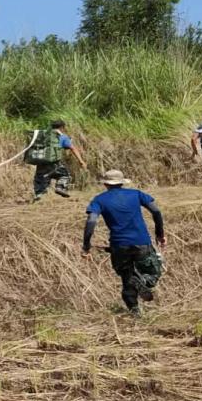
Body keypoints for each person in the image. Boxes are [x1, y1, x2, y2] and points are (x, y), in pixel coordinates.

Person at [82, 169, 166, 316]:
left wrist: (86, 245)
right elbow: (156, 212)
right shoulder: (136, 194)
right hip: (142, 242)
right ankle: (143, 282)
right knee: (153, 272)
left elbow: (91, 221)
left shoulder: (99, 200)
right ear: (122, 182)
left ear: (106, 184)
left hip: (118, 246)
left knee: (127, 279)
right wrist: (160, 234)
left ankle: (135, 313)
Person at [31, 120, 87, 201]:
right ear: (62, 127)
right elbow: (72, 148)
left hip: (41, 162)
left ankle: (39, 196)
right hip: (54, 163)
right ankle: (60, 187)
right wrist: (81, 161)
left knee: (40, 179)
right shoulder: (62, 136)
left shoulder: (43, 136)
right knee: (65, 175)